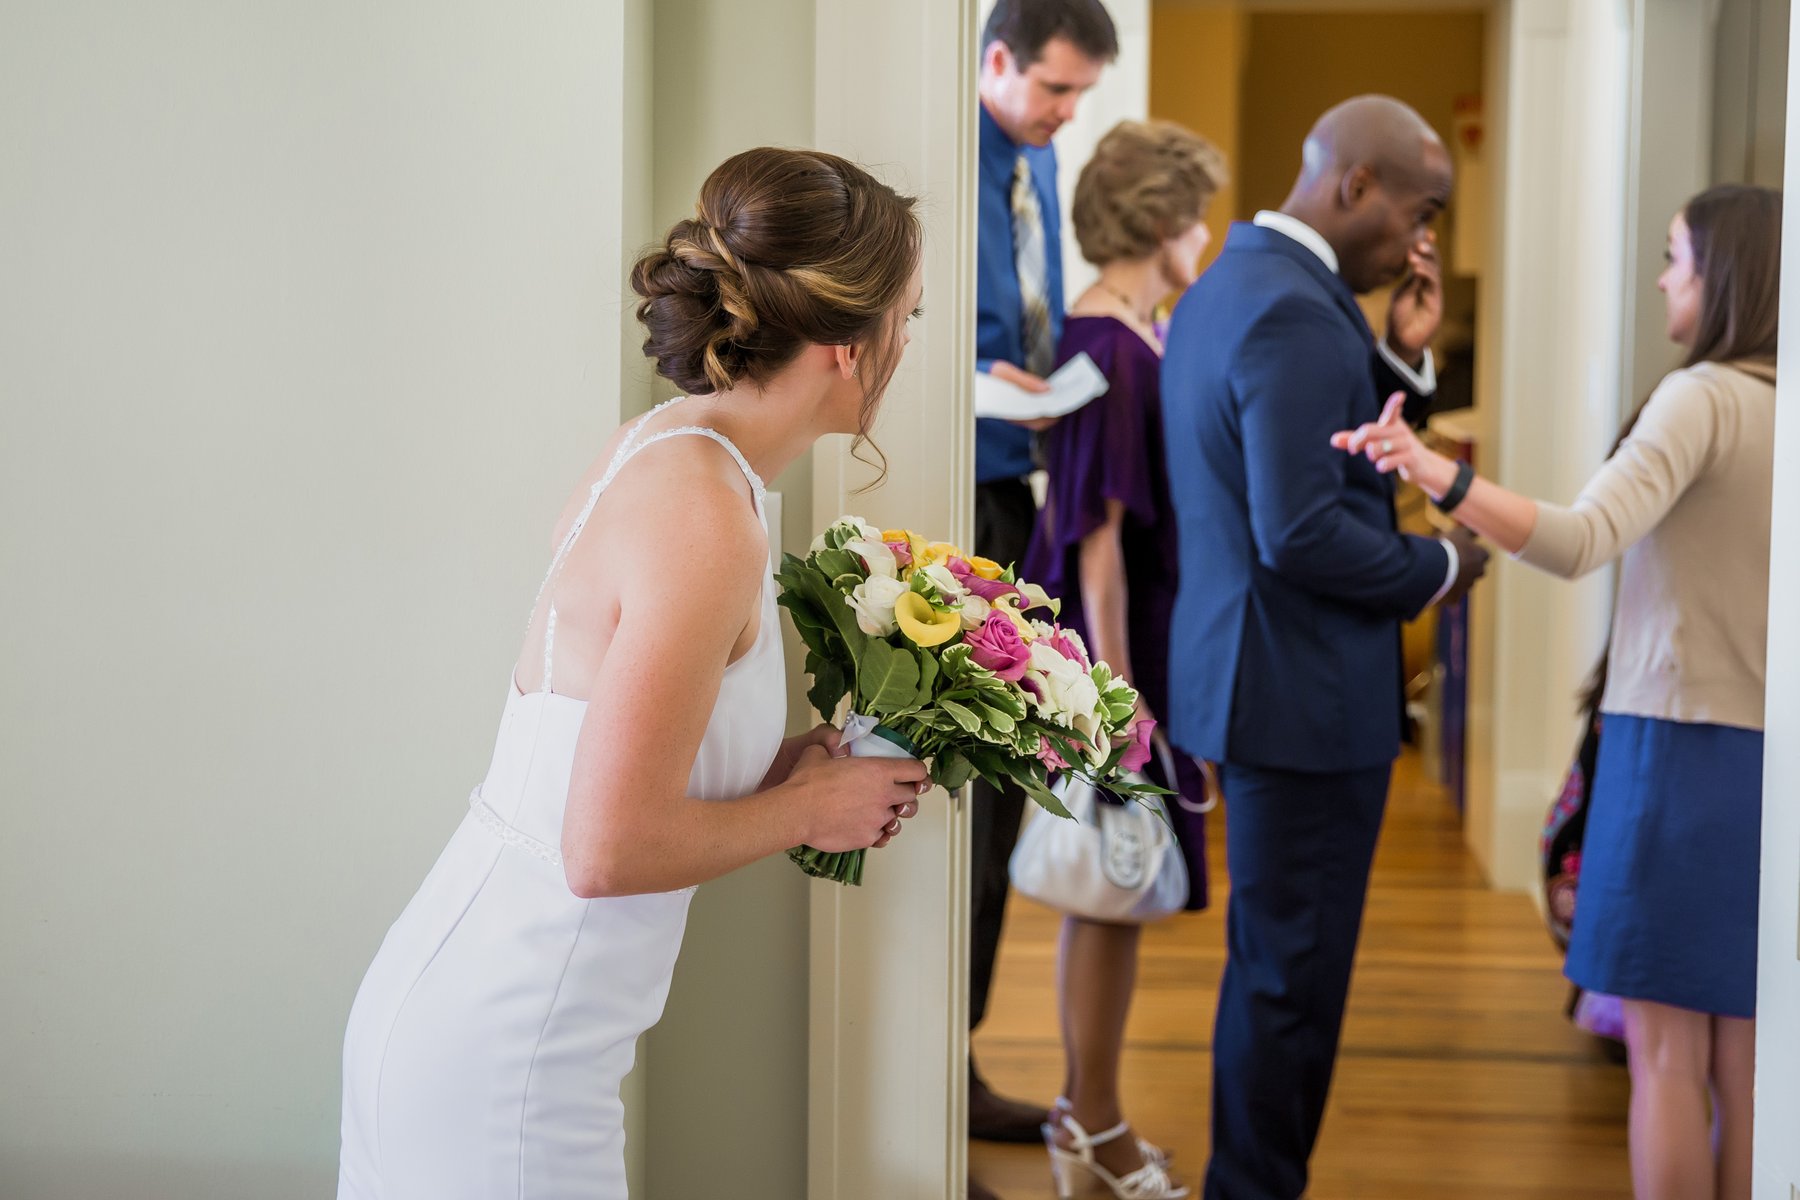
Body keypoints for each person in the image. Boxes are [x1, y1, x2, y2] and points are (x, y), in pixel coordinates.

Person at [337, 147, 931, 1200]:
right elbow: (605, 849)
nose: (906, 343)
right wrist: (809, 813)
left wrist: (793, 769)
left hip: (473, 1004)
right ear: (848, 344)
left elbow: (616, 758)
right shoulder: (705, 514)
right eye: (908, 318)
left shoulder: (678, 449)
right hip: (507, 1057)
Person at [1334, 183, 1780, 1200]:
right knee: (1748, 1060)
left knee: (1666, 1055)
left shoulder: (1703, 397)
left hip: (1677, 753)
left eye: (1674, 256)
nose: (1662, 279)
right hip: (1767, 758)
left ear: (1723, 275)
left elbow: (1583, 541)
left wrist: (1433, 471)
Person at [1159, 95, 1490, 1200]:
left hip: (1252, 672)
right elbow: (1301, 529)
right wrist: (1443, 566)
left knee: (1275, 970)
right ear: (1356, 185)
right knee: (1291, 986)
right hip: (1299, 690)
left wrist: (1400, 357)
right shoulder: (1295, 310)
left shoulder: (1235, 283)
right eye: (1421, 211)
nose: (1423, 241)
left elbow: (1305, 444)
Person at [1021, 118, 1227, 1200]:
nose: (1207, 236)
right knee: (1107, 888)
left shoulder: (1132, 332)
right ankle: (1090, 1124)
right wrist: (1118, 698)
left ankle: (1089, 1117)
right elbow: (1094, 544)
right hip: (1120, 654)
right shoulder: (1104, 347)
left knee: (1119, 890)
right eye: (1196, 216)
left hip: (1143, 642)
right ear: (1159, 222)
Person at [968, 0, 1118, 1163]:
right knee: (964, 798)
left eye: (1080, 95)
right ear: (997, 60)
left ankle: (956, 1066)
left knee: (1006, 784)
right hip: (959, 490)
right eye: (1057, 88)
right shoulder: (939, 150)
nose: (1067, 115)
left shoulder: (1038, 156)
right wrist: (986, 383)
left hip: (1020, 487)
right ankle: (933, 1092)